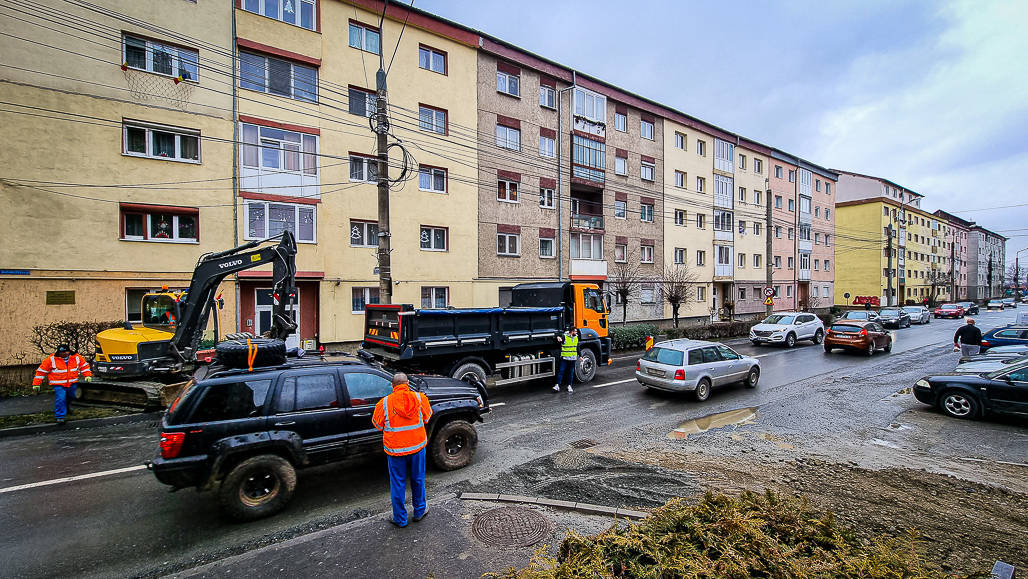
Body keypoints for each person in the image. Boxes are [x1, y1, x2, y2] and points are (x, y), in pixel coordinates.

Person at [372, 372, 433, 528]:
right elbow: (427, 418)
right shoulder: (420, 398)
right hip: (417, 448)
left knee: (397, 484)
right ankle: (419, 511)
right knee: (418, 479)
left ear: (393, 386)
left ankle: (400, 519)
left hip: (395, 451)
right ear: (407, 384)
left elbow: (378, 425)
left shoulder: (383, 404)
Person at [32, 344, 92, 425]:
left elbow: (84, 366)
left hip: (72, 383)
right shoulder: (51, 360)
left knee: (72, 396)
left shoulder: (76, 358)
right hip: (58, 384)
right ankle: (60, 417)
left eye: (65, 352)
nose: (63, 354)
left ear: (69, 351)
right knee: (61, 398)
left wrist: (87, 375)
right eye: (61, 352)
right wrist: (36, 384)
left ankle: (66, 407)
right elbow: (41, 372)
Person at [553, 327, 579, 393]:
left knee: (570, 373)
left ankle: (569, 386)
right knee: (561, 371)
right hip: (564, 358)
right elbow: (557, 338)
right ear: (571, 331)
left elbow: (577, 347)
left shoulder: (576, 337)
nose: (576, 333)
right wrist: (557, 338)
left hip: (573, 359)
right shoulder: (564, 336)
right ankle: (557, 385)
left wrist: (580, 355)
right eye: (575, 331)